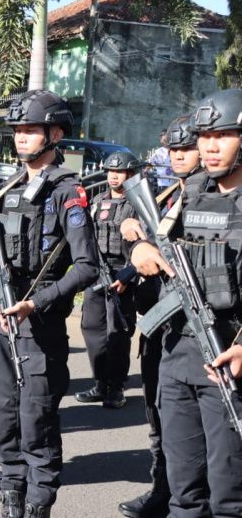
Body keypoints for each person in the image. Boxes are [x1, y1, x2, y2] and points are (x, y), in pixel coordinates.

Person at [0, 90, 99, 517]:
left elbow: (87, 267)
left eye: (31, 130)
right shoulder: (6, 188)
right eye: (17, 130)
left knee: (36, 422)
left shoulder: (67, 192)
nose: (21, 138)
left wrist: (36, 303)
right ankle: (10, 493)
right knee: (1, 421)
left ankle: (38, 503)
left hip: (37, 329)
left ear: (55, 133)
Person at [130, 88, 242, 517]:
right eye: (205, 137)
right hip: (178, 357)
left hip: (228, 360)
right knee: (184, 491)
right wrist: (140, 249)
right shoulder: (189, 192)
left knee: (229, 495)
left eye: (224, 136)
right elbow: (149, 237)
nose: (210, 147)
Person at [117, 114, 202, 518]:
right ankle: (162, 489)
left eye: (186, 148)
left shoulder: (210, 201)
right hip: (160, 324)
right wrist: (135, 238)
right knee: (157, 412)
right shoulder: (166, 198)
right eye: (173, 148)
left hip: (198, 330)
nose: (178, 156)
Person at [75, 151, 141, 410]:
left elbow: (147, 243)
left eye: (120, 171)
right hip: (97, 271)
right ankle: (100, 382)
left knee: (118, 332)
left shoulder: (138, 202)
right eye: (111, 171)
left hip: (123, 272)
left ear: (131, 174)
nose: (114, 175)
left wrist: (128, 275)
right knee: (92, 328)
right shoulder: (97, 200)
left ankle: (116, 387)